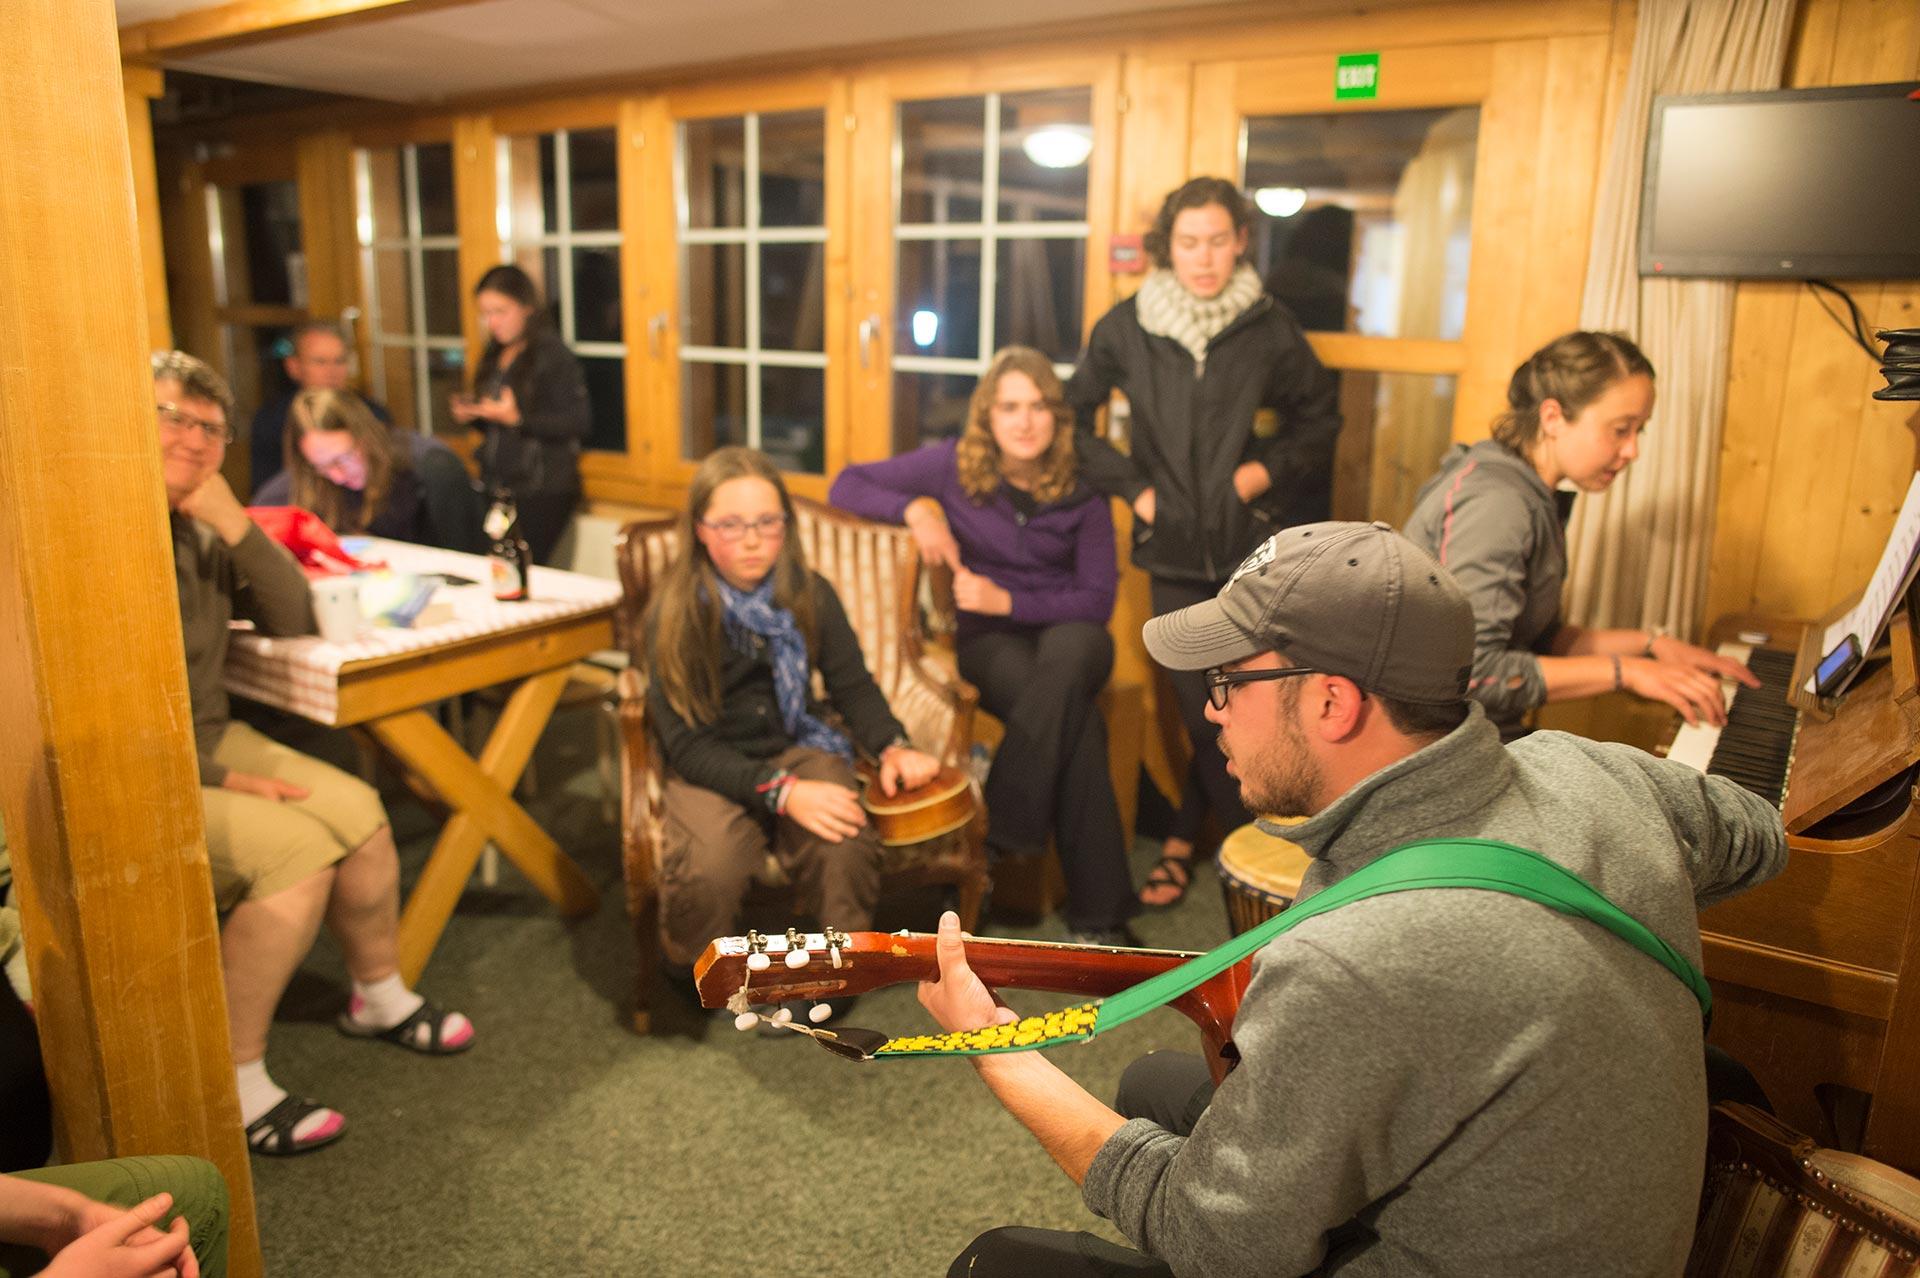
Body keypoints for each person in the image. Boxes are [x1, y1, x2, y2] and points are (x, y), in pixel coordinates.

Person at [919, 520, 1788, 1277]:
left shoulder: (1354, 959)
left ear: (1333, 701)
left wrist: (998, 1050)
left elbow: (1212, 1245)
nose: (1211, 710)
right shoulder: (1591, 769)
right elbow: (1761, 836)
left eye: (1229, 680)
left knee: (993, 1261)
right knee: (1150, 1076)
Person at [154, 351, 474, 1156]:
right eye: (171, 418)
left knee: (362, 813)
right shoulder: (102, 533)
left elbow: (295, 615)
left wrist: (232, 523)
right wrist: (227, 779)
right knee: (298, 854)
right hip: (144, 763)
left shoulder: (203, 520)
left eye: (210, 428)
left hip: (210, 732)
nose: (191, 440)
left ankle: (377, 994)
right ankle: (233, 1081)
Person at [1068, 176, 1342, 911]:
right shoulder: (1127, 326)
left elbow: (1321, 420)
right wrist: (1134, 487)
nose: (1204, 257)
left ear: (1242, 241)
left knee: (1243, 705)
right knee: (1200, 709)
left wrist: (1258, 472)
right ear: (1168, 247)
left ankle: (1196, 841)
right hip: (1172, 554)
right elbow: (1075, 418)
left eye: (1219, 240)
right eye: (1189, 242)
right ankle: (1277, 864)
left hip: (1251, 550)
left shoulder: (1268, 326)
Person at [829, 347, 1135, 945]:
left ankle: (996, 838)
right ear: (987, 417)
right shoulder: (951, 467)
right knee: (1075, 722)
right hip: (991, 643)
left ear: (1058, 416)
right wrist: (915, 507)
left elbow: (1096, 600)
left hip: (1070, 632)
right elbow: (846, 483)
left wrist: (1010, 602)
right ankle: (1101, 915)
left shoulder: (1084, 486)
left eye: (1040, 406)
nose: (1025, 421)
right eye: (1010, 407)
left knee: (1071, 657)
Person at [646, 447, 943, 976]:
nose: (753, 539)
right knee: (712, 865)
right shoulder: (674, 613)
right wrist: (782, 794)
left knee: (844, 840)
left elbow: (853, 687)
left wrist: (894, 745)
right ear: (699, 529)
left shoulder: (809, 593)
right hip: (713, 761)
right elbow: (687, 746)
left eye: (767, 522)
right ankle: (696, 977)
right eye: (732, 525)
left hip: (797, 742)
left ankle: (831, 978)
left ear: (786, 525)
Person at [1403, 330, 1757, 741]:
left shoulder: (1528, 492)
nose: (1632, 452)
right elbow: (1474, 674)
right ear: (1553, 418)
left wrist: (1652, 645)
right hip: (1436, 749)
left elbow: (1542, 639)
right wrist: (1629, 672)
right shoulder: (1498, 505)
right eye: (1621, 429)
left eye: (1638, 431)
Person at [451, 265, 589, 564]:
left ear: (526, 307)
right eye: (485, 313)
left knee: (521, 569)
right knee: (493, 567)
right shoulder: (494, 353)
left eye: (500, 311)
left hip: (542, 487)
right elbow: (499, 425)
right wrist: (475, 414)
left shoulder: (553, 354)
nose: (492, 322)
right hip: (499, 484)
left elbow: (578, 421)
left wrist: (518, 420)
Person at [251, 388, 485, 554]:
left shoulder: (433, 468)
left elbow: (467, 561)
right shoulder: (296, 485)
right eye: (322, 467)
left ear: (366, 438)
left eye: (344, 459)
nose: (337, 476)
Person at [247, 321, 389, 496]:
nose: (332, 371)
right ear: (293, 367)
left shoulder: (373, 414)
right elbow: (264, 488)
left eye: (340, 361)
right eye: (320, 362)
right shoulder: (271, 420)